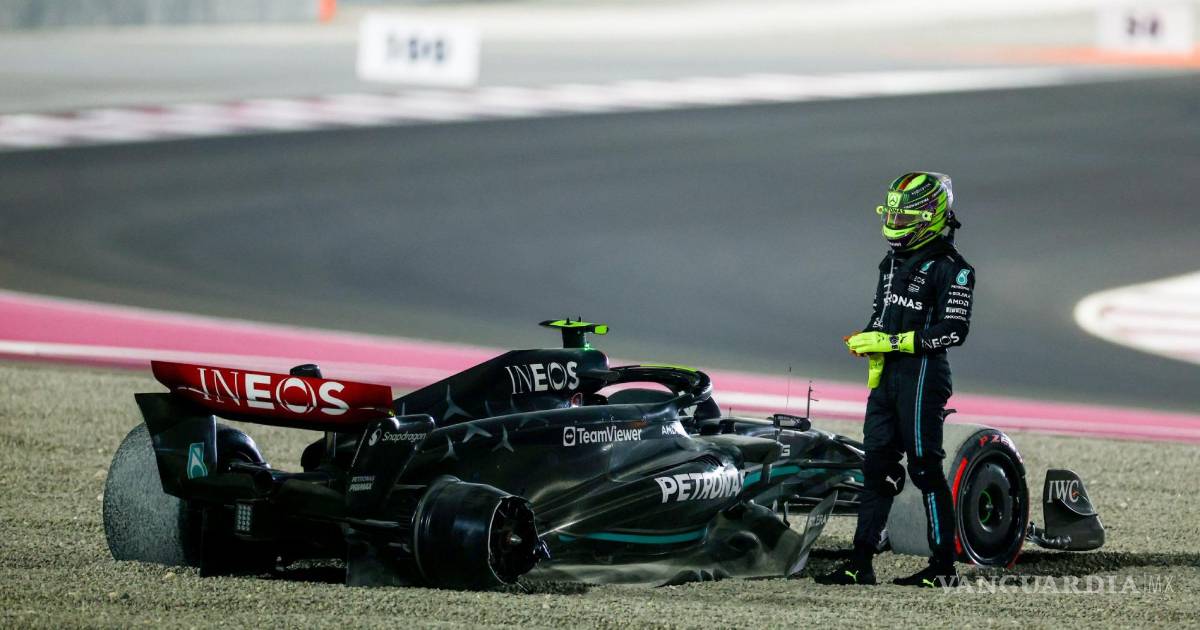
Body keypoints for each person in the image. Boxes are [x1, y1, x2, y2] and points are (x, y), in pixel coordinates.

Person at [816, 171, 974, 587]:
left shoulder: (953, 269)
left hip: (923, 376)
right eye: (892, 216)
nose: (895, 223)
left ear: (928, 218)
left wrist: (892, 341)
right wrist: (867, 340)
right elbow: (880, 315)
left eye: (903, 218)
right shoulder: (889, 262)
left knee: (925, 470)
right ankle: (859, 564)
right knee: (876, 469)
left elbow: (954, 331)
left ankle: (943, 569)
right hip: (887, 377)